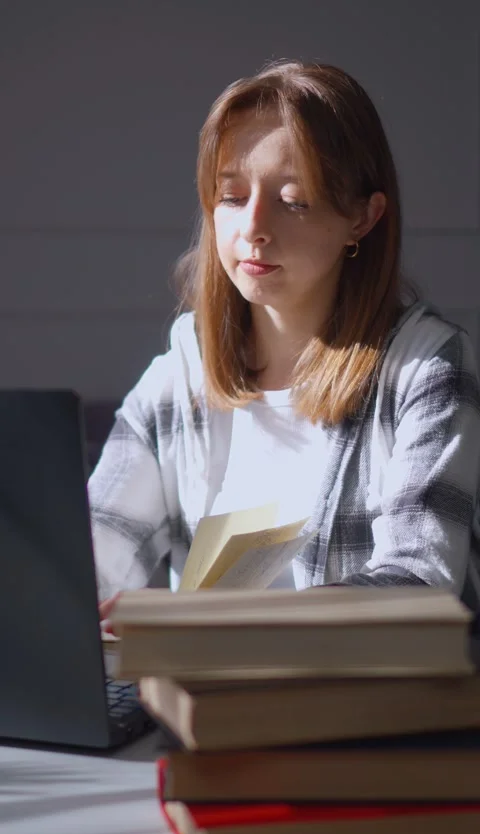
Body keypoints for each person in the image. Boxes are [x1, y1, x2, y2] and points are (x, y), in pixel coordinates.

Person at [89, 59, 480, 620]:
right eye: (230, 196)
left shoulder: (424, 369)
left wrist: (204, 621)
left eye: (293, 200)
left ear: (363, 219)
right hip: (201, 706)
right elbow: (93, 554)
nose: (252, 228)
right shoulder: (184, 371)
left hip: (357, 706)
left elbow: (419, 584)